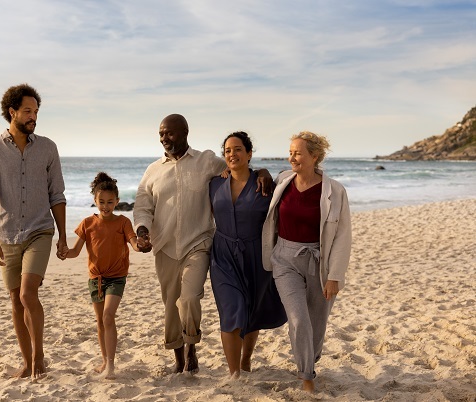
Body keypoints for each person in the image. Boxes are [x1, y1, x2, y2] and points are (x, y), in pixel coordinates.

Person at [134, 114, 272, 375]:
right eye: (161, 134)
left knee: (188, 299)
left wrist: (263, 172)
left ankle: (192, 345)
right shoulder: (153, 170)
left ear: (185, 132)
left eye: (170, 133)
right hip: (164, 246)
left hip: (198, 242)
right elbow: (143, 205)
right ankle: (179, 356)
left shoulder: (206, 160)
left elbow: (238, 168)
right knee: (171, 303)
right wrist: (142, 230)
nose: (165, 138)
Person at [0, 83, 67, 381]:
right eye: (28, 111)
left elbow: (58, 195)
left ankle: (39, 357)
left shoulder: (48, 148)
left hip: (40, 230)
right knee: (16, 300)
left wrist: (63, 236)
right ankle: (27, 362)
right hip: (6, 234)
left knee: (29, 294)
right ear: (12, 112)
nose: (33, 117)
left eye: (36, 111)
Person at [262, 131, 352, 392]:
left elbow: (343, 236)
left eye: (298, 153)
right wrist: (261, 172)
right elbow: (259, 183)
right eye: (290, 152)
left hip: (318, 261)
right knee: (298, 318)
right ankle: (307, 377)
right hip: (284, 259)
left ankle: (309, 360)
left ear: (314, 156)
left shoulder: (334, 191)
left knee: (317, 322)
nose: (292, 157)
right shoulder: (282, 181)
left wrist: (335, 275)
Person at [209, 131, 287, 379]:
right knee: (232, 311)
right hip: (222, 256)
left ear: (249, 153)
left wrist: (263, 172)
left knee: (253, 312)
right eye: (228, 150)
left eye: (238, 149)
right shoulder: (214, 183)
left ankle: (245, 360)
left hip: (256, 255)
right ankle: (234, 376)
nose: (232, 154)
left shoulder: (264, 185)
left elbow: (281, 216)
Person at [62, 172, 141, 380]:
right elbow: (75, 251)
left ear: (117, 201)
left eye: (110, 202)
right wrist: (64, 253)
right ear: (95, 201)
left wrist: (139, 245)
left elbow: (133, 242)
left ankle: (111, 366)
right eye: (101, 202)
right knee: (100, 321)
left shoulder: (123, 222)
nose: (105, 206)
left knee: (108, 316)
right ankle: (105, 360)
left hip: (116, 277)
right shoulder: (87, 223)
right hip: (95, 279)